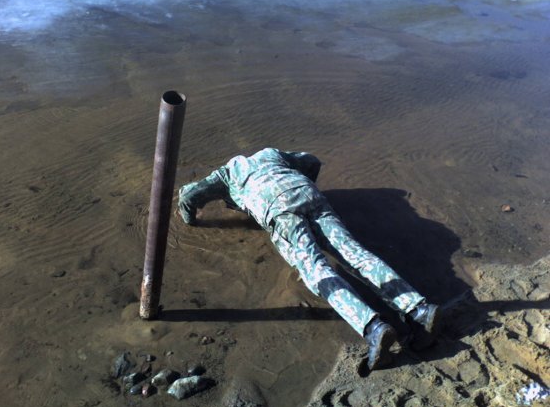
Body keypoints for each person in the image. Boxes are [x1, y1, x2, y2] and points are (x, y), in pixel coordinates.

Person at [177, 148, 441, 370]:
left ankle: (372, 327)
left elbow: (188, 195)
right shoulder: (270, 154)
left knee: (317, 270)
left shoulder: (224, 175)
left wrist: (190, 221)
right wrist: (307, 183)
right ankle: (418, 309)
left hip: (279, 210)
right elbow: (312, 161)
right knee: (355, 254)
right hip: (308, 193)